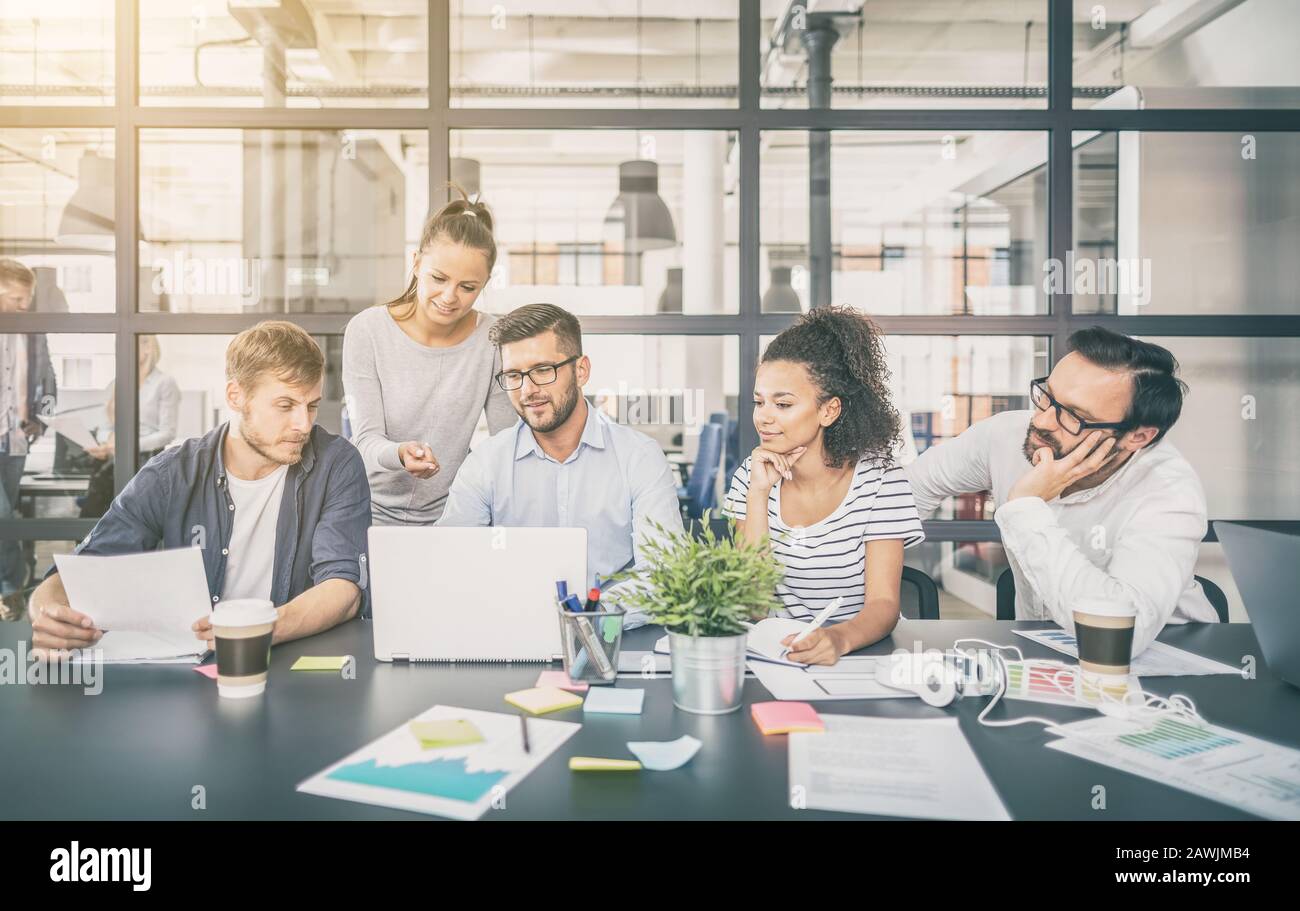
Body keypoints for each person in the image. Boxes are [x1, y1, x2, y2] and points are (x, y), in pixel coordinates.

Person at [28, 321, 371, 657]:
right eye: (285, 405)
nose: (304, 424)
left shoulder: (336, 464)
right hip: (191, 670)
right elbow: (86, 567)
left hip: (294, 660)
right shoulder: (172, 472)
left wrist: (263, 628)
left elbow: (342, 587)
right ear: (236, 396)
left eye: (311, 405)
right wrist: (46, 611)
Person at [904, 326, 1217, 656]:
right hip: (1044, 649)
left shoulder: (1169, 492)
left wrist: (1025, 506)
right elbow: (906, 493)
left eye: (1074, 416)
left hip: (1166, 656)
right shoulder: (1007, 435)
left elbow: (1118, 635)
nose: (1042, 422)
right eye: (1047, 396)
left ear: (1136, 437)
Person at [437, 303, 683, 612]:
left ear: (581, 371)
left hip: (612, 634)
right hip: (510, 627)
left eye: (543, 370)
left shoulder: (639, 458)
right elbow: (451, 565)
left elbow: (665, 575)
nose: (528, 390)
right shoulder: (486, 463)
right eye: (514, 375)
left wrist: (587, 616)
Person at [723, 306, 924, 666]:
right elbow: (752, 605)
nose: (764, 416)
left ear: (829, 411)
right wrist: (757, 496)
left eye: (783, 403)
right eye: (759, 401)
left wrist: (836, 638)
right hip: (776, 656)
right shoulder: (751, 476)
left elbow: (884, 605)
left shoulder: (880, 480)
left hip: (859, 653)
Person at [343, 188, 516, 525]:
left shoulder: (494, 339)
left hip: (452, 516)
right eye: (438, 278)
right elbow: (364, 440)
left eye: (468, 287)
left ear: (485, 284)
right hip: (367, 513)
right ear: (417, 262)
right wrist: (399, 453)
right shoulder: (367, 330)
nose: (450, 297)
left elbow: (506, 441)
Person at [0, 258, 56, 595]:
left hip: (16, 441)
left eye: (27, 299)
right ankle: (12, 589)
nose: (24, 306)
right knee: (5, 518)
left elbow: (48, 379)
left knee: (9, 515)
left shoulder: (33, 332)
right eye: (15, 299)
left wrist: (43, 418)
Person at [81, 334, 181, 518]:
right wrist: (106, 443)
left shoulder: (164, 383)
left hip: (145, 462)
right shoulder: (116, 383)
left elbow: (167, 433)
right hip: (110, 464)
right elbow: (104, 427)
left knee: (134, 522)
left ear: (148, 348)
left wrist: (127, 445)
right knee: (95, 520)